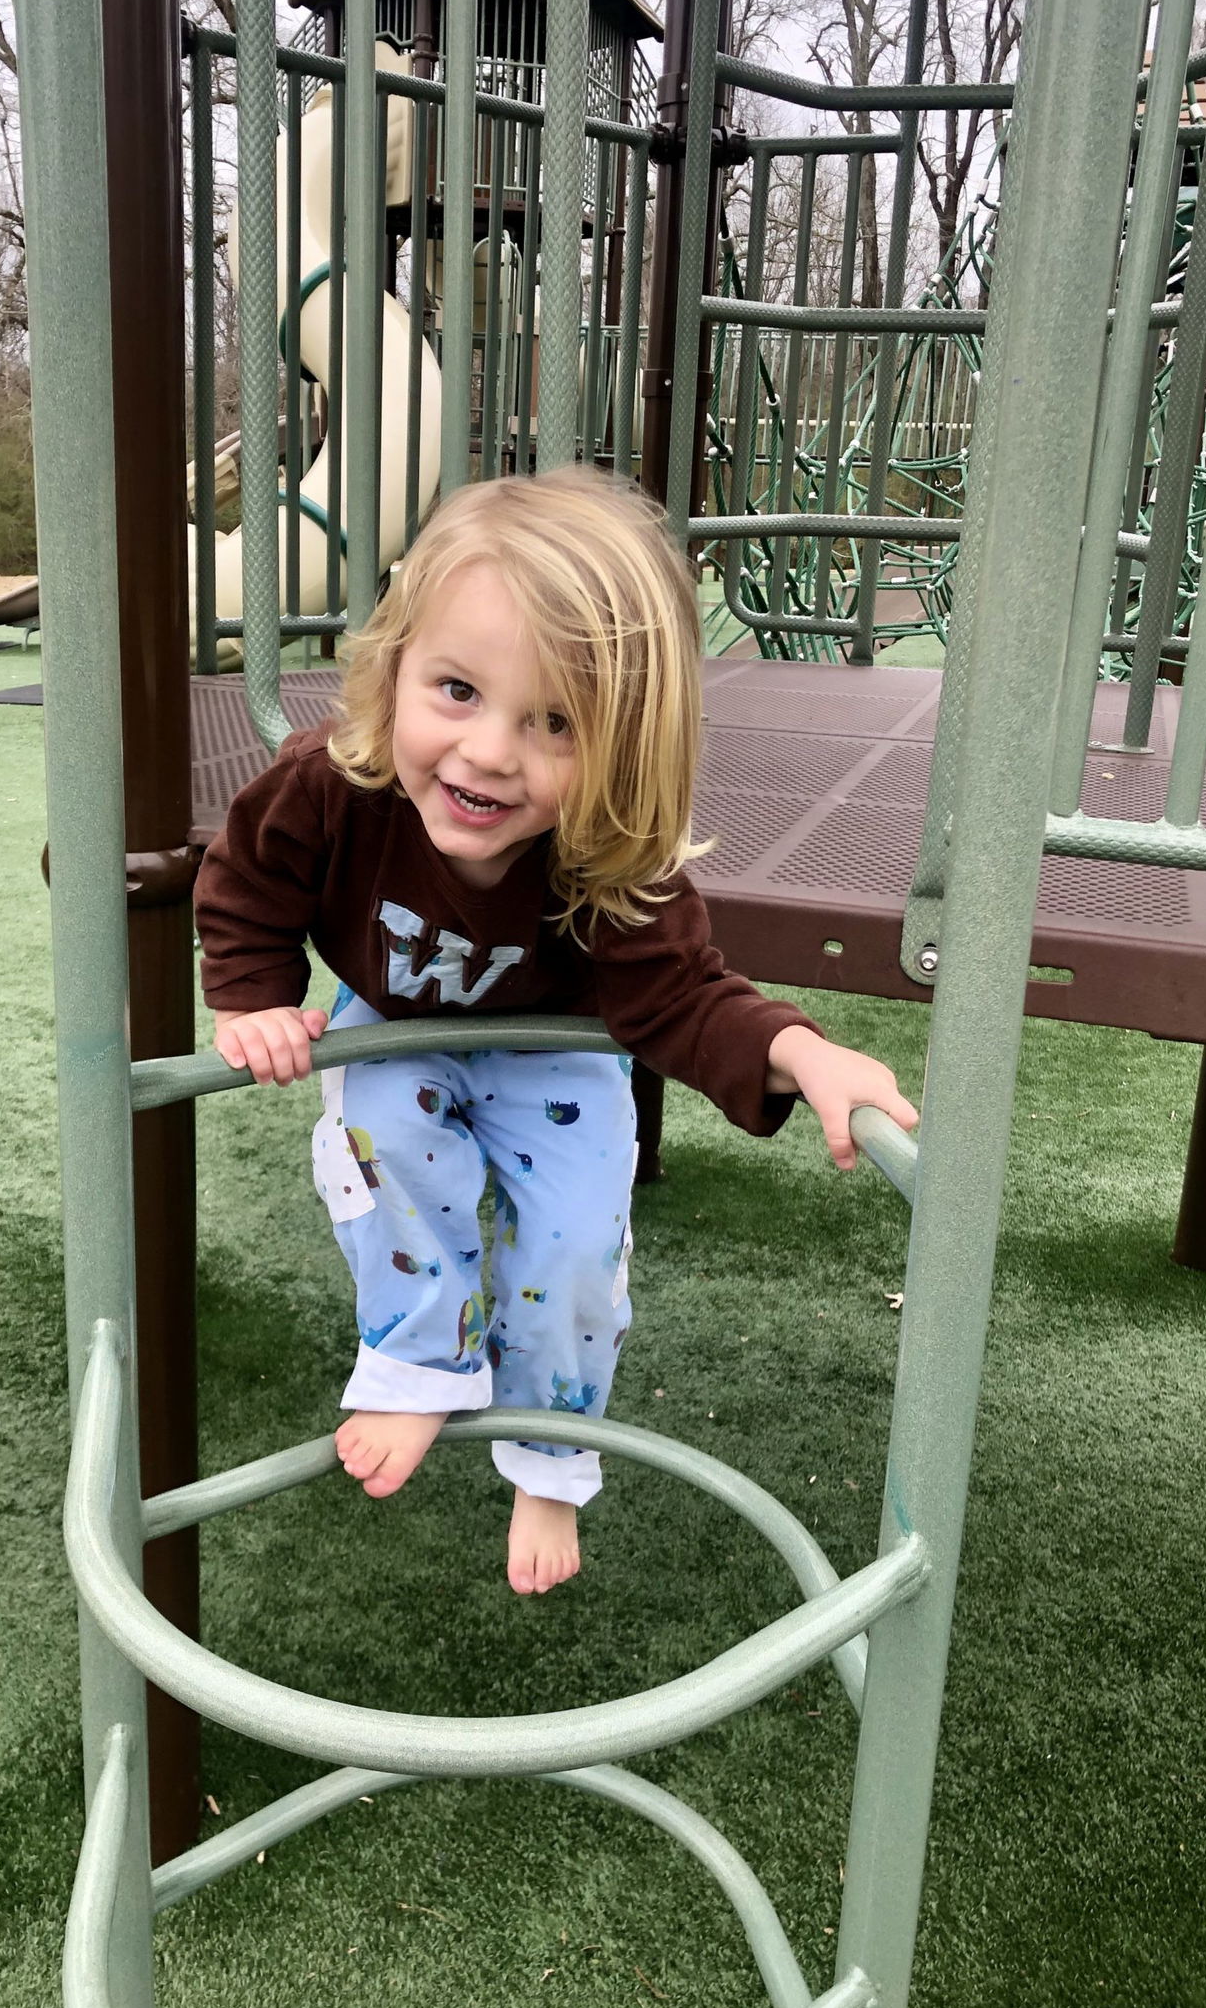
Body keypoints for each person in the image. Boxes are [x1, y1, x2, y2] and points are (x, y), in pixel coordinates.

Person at [195, 469, 918, 1596]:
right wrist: (254, 1000)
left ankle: (548, 1451)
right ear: (392, 673)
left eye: (555, 724)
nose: (488, 752)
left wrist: (797, 1050)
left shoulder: (609, 855)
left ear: (624, 749)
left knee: (576, 1244)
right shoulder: (330, 788)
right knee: (380, 1131)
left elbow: (683, 1000)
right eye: (456, 690)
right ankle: (419, 1360)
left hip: (556, 1045)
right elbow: (248, 885)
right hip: (394, 1022)